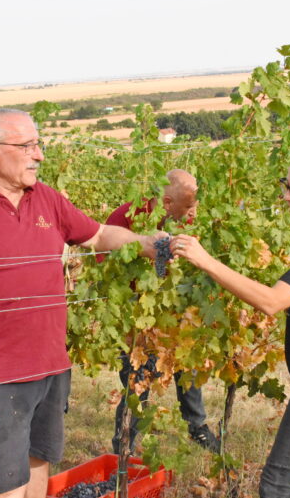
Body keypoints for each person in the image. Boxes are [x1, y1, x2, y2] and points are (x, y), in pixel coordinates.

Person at [0, 108, 163, 498]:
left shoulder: (46, 198)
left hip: (52, 365)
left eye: (38, 145)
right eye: (27, 146)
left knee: (39, 465)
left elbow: (98, 236)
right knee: (7, 487)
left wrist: (149, 245)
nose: (38, 155)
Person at [171, 150, 290, 498]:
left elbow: (271, 301)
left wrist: (206, 261)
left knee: (276, 485)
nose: (288, 197)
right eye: (286, 186)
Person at [104, 169, 219, 455]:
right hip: (135, 308)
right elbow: (106, 268)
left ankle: (196, 426)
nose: (193, 212)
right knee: (139, 375)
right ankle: (125, 446)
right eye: (188, 206)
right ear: (167, 203)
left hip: (176, 301)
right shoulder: (123, 219)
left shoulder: (188, 219)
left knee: (187, 362)